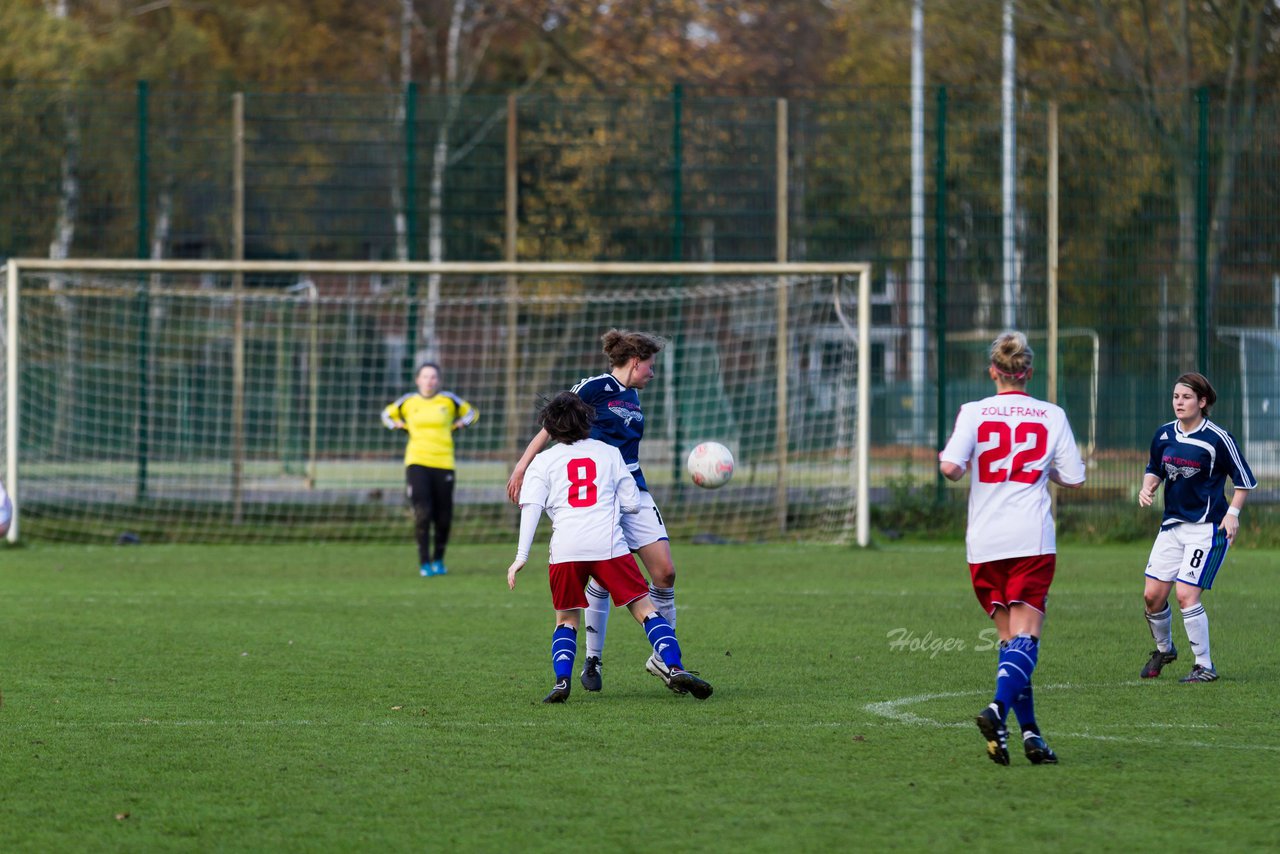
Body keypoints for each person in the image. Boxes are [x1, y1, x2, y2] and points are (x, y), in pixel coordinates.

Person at [506, 329, 683, 695]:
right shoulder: (594, 387)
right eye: (650, 365)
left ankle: (665, 660)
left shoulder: (633, 395)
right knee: (601, 571)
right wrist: (524, 464)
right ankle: (593, 658)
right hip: (599, 493)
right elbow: (553, 421)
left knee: (664, 572)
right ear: (635, 362)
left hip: (632, 486)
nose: (653, 372)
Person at [939, 331, 1086, 766]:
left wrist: (962, 464)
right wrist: (1043, 473)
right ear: (1029, 372)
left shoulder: (974, 411)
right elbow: (1074, 478)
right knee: (1027, 638)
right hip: (1030, 537)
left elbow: (950, 467)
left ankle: (1028, 736)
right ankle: (997, 709)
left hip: (983, 542)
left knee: (1009, 642)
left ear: (993, 371)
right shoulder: (1051, 414)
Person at [1136, 371, 1255, 684]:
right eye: (1176, 396)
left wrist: (1233, 514)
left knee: (1186, 595)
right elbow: (1154, 469)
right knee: (1152, 597)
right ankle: (1164, 649)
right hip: (1172, 527)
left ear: (1202, 402)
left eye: (1187, 397)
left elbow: (1243, 481)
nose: (1179, 402)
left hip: (1206, 529)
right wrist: (1147, 486)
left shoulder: (1217, 438)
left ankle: (1204, 666)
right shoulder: (1163, 435)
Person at [382, 362, 478, 577]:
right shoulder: (408, 401)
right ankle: (424, 563)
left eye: (433, 377)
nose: (429, 381)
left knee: (443, 517)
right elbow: (386, 416)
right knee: (422, 513)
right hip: (416, 462)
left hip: (444, 463)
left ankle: (439, 560)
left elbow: (472, 413)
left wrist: (460, 424)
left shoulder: (448, 399)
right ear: (418, 380)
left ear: (439, 380)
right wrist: (398, 425)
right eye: (425, 377)